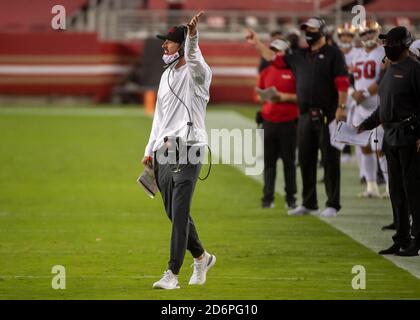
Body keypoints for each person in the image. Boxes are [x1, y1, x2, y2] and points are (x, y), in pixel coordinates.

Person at [142, 11, 216, 289]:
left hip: (191, 148)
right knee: (173, 212)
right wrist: (149, 149)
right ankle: (202, 257)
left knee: (181, 210)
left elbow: (194, 58)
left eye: (170, 42)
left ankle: (172, 273)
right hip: (164, 150)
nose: (164, 46)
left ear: (181, 45)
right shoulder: (166, 76)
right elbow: (159, 118)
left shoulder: (199, 74)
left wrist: (193, 37)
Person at [247, 17, 349, 217]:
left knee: (329, 158)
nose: (308, 32)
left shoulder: (333, 54)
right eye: (306, 29)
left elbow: (342, 82)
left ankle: (332, 203)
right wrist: (257, 43)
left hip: (327, 114)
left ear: (321, 31)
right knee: (306, 159)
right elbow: (272, 57)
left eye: (312, 29)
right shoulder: (300, 55)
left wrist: (341, 107)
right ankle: (309, 203)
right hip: (303, 115)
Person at [357, 26, 420, 256]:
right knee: (396, 191)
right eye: (385, 44)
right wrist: (363, 125)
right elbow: (383, 109)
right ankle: (401, 238)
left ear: (404, 45)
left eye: (391, 44)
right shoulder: (388, 70)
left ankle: (417, 239)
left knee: (413, 191)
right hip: (390, 137)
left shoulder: (415, 70)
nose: (387, 48)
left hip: (409, 136)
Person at [255, 39, 299, 209]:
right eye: (273, 50)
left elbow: (301, 97)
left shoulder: (295, 71)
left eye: (278, 51)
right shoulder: (266, 72)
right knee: (269, 163)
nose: (275, 54)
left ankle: (291, 198)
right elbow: (258, 95)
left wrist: (283, 97)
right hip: (269, 121)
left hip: (289, 122)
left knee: (289, 162)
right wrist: (264, 96)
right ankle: (267, 198)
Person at [350, 20, 389, 199]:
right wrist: (353, 93)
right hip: (360, 106)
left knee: (381, 148)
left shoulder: (383, 52)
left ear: (377, 32)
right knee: (364, 146)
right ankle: (371, 185)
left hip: (377, 104)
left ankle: (390, 186)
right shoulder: (357, 54)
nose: (367, 36)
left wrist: (365, 93)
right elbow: (349, 78)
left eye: (370, 32)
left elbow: (383, 78)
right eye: (364, 33)